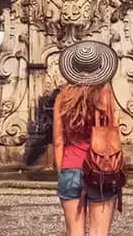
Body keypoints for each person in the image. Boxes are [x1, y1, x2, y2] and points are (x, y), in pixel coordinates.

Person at [53, 41, 122, 236]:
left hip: (70, 169)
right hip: (101, 168)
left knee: (74, 233)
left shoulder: (62, 98)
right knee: (99, 232)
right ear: (99, 68)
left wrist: (62, 172)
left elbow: (58, 141)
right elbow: (115, 135)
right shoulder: (106, 96)